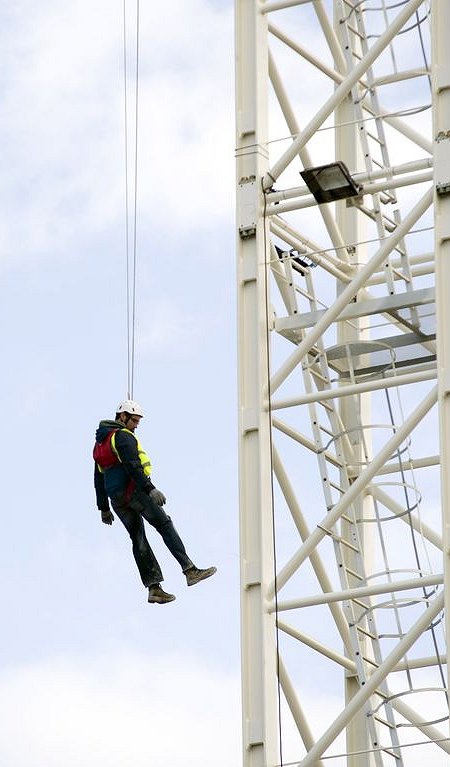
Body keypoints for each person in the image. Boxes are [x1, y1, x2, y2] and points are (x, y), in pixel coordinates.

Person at [93, 399, 216, 604]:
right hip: (135, 492)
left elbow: (98, 478)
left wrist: (103, 507)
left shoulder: (100, 444)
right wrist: (150, 489)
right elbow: (133, 466)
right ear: (121, 416)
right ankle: (189, 570)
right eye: (133, 420)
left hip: (118, 500)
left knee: (138, 539)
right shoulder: (123, 437)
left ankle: (154, 588)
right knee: (164, 524)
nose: (136, 425)